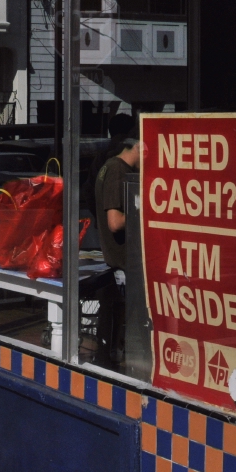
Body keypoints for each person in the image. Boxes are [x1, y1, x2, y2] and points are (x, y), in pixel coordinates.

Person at [89, 126, 141, 366]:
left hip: (116, 259)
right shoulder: (119, 171)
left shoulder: (108, 166)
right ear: (139, 147)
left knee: (114, 316)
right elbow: (115, 221)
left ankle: (110, 356)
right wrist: (144, 213)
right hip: (123, 259)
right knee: (125, 317)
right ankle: (115, 360)